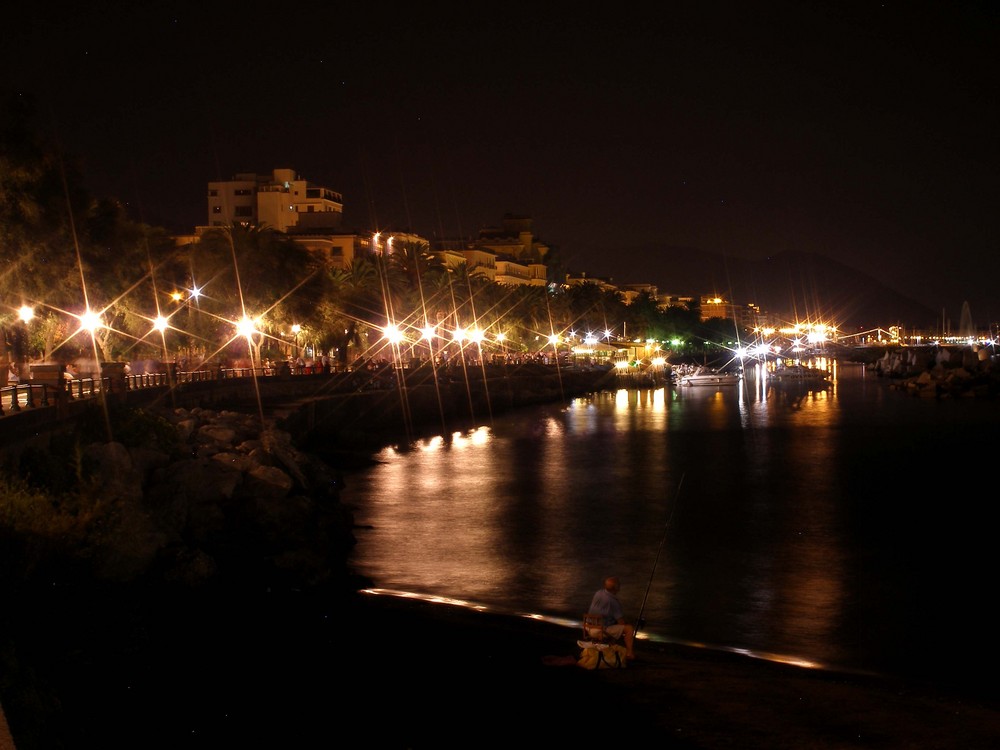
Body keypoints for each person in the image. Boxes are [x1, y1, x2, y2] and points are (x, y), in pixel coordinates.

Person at [588, 575, 636, 659]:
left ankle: (610, 646)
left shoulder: (598, 593)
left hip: (589, 628)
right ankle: (629, 653)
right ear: (616, 588)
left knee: (611, 623)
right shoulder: (614, 602)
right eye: (618, 584)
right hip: (600, 631)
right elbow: (621, 622)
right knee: (629, 628)